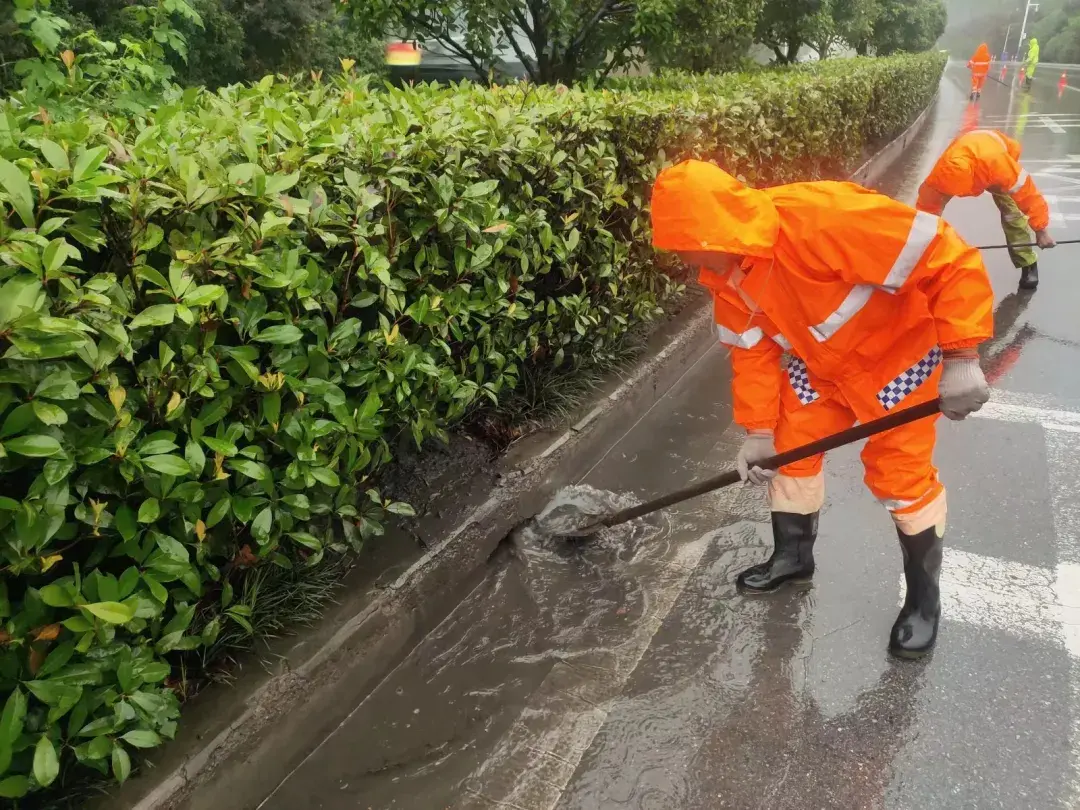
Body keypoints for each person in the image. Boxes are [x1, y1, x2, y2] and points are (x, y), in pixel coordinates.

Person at [650, 160, 994, 659]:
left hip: (897, 361)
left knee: (901, 479)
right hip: (822, 370)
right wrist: (759, 430)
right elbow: (753, 352)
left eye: (685, 247)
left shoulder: (822, 218)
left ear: (714, 229)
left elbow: (949, 257)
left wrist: (963, 355)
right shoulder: (727, 273)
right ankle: (793, 557)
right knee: (789, 452)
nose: (684, 260)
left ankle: (923, 601)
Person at [916, 128, 1055, 291]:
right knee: (929, 220)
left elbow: (1028, 193)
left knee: (1012, 215)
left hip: (992, 159)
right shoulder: (942, 173)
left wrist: (1041, 230)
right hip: (970, 155)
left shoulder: (999, 166)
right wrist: (922, 237)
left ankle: (1028, 264)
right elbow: (926, 208)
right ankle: (923, 264)